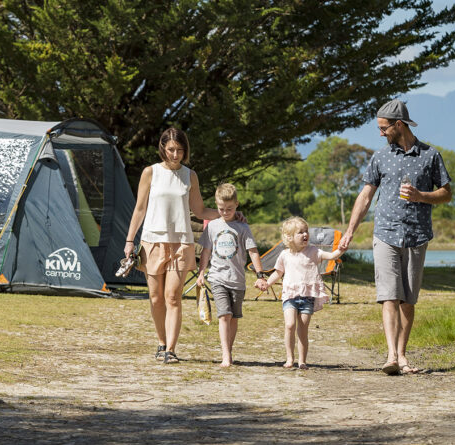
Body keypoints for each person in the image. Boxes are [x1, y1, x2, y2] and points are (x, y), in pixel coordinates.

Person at [338, 99, 452, 375]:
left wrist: (421, 196)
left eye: (383, 128)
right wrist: (350, 231)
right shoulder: (380, 157)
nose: (380, 133)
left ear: (398, 125)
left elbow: (447, 193)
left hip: (417, 235)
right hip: (385, 234)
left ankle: (403, 356)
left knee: (408, 301)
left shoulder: (430, 155)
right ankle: (390, 356)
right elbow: (365, 196)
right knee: (389, 296)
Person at [125, 127, 223, 364]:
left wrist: (228, 214)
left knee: (173, 297)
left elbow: (199, 211)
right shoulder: (150, 173)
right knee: (156, 297)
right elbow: (140, 209)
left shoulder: (190, 176)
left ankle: (170, 349)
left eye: (179, 150)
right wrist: (130, 241)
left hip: (181, 242)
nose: (175, 154)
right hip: (152, 241)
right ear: (162, 148)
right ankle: (160, 342)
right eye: (171, 150)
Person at [196, 184, 269, 367]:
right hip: (217, 278)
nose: (225, 212)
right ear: (216, 204)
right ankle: (225, 355)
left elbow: (253, 251)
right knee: (224, 315)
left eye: (229, 209)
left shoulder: (243, 227)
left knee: (234, 317)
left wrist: (260, 275)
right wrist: (201, 272)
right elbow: (206, 251)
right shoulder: (212, 226)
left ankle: (229, 349)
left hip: (238, 280)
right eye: (221, 209)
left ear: (237, 205)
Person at [264, 216, 345, 369]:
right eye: (300, 232)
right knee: (289, 325)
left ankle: (302, 361)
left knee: (303, 328)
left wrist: (340, 250)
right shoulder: (284, 255)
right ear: (290, 237)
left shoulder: (313, 251)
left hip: (307, 297)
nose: (305, 235)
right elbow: (277, 273)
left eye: (306, 231)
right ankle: (289, 358)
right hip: (290, 295)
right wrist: (267, 284)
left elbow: (331, 256)